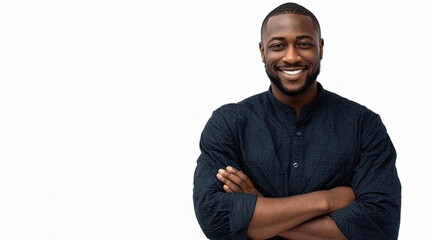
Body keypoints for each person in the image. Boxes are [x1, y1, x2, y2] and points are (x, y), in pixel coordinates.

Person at [193, 2, 401, 240]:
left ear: (320, 48)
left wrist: (259, 208)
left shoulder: (363, 125)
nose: (291, 57)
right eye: (278, 46)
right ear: (262, 51)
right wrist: (326, 200)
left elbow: (380, 228)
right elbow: (216, 218)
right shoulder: (228, 123)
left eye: (303, 44)